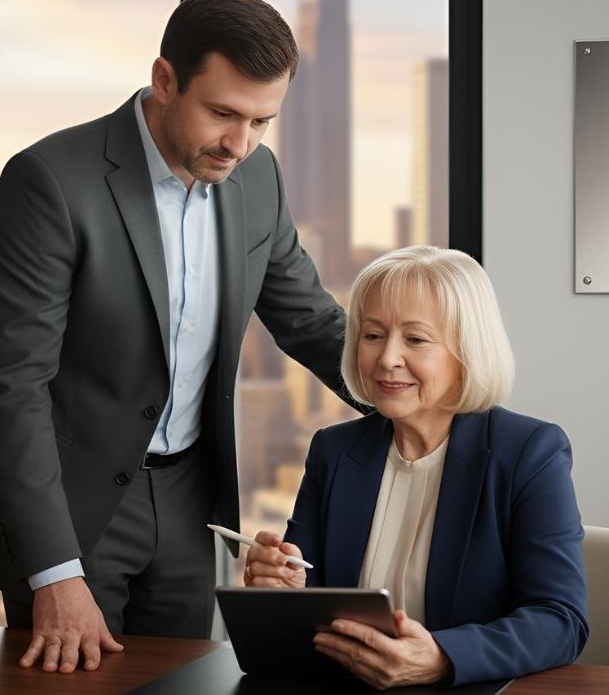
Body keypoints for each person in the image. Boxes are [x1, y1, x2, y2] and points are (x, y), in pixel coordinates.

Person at [0, 0, 351, 675]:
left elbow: (309, 320)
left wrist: (415, 391)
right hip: (71, 502)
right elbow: (11, 385)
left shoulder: (257, 178)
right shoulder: (50, 181)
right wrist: (53, 573)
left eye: (262, 121)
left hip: (194, 498)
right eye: (223, 113)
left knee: (186, 682)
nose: (240, 143)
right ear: (164, 79)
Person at [245, 246, 589, 688]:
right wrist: (279, 591)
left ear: (467, 349)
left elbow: (561, 620)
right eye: (372, 335)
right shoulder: (333, 451)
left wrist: (444, 657)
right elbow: (309, 609)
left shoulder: (528, 452)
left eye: (416, 339)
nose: (387, 358)